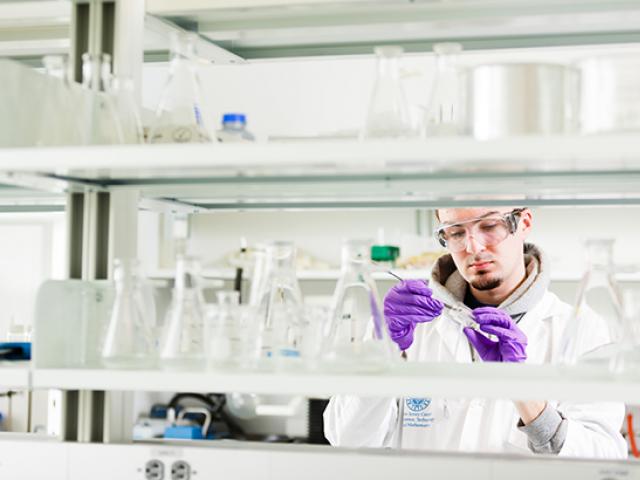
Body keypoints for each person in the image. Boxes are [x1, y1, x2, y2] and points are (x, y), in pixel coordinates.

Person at [323, 207, 627, 458]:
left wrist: (525, 394)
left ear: (524, 223)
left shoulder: (584, 329)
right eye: (456, 232)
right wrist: (383, 348)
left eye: (490, 225)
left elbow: (602, 460)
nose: (473, 247)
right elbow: (348, 439)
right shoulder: (407, 322)